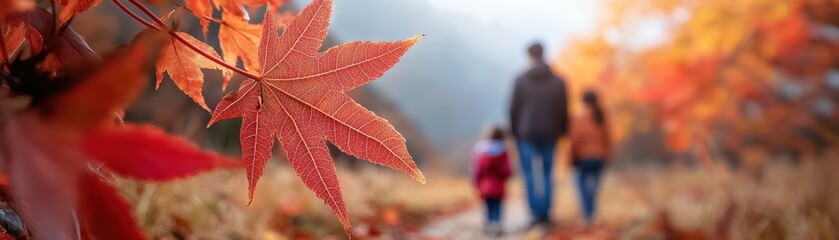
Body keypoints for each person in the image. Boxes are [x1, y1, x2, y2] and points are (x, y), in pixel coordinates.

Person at [509, 42, 569, 225]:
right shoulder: (558, 81)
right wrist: (562, 131)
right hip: (550, 132)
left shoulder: (520, 80)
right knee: (547, 173)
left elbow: (513, 109)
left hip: (526, 133)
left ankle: (534, 213)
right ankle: (546, 213)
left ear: (529, 56)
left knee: (528, 174)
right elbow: (563, 109)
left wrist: (514, 132)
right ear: (544, 54)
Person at [570, 90, 611, 226]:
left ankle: (587, 213)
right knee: (594, 184)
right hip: (599, 156)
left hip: (584, 157)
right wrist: (607, 154)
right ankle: (592, 212)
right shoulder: (602, 117)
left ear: (583, 101)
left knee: (581, 184)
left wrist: (572, 156)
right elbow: (608, 138)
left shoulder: (579, 117)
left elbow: (575, 139)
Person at [472, 126, 512, 236]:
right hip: (498, 187)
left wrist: (475, 182)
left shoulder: (479, 151)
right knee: (497, 206)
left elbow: (477, 170)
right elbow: (507, 170)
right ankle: (497, 224)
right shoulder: (503, 151)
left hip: (484, 187)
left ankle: (488, 224)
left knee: (488, 206)